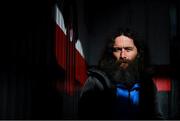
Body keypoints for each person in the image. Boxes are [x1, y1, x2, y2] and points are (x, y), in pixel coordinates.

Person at [78, 27, 164, 120]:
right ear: (111, 53)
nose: (123, 56)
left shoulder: (147, 84)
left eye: (128, 49)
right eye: (118, 50)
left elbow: (157, 117)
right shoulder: (96, 82)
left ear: (138, 53)